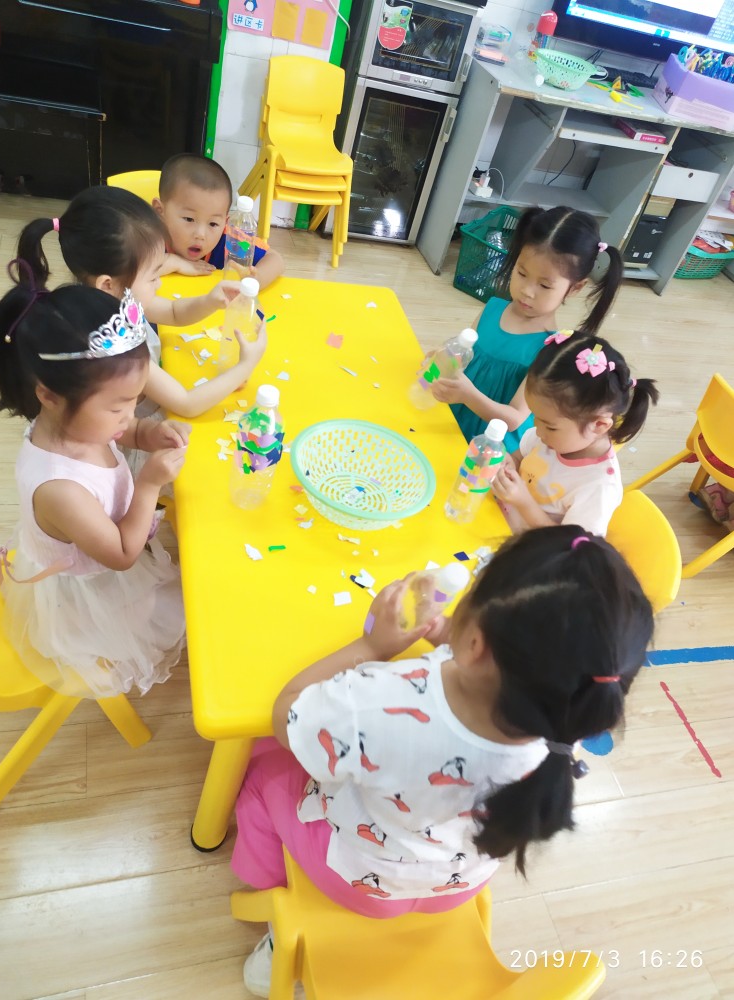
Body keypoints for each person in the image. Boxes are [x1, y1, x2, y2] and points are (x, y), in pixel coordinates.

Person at [230, 526, 654, 997]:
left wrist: (371, 648)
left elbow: (286, 715)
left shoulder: (376, 703)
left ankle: (274, 919)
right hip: (457, 887)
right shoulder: (562, 724)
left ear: (476, 646)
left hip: (358, 880)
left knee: (261, 765)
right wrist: (449, 640)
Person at [0, 273, 187, 698]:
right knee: (168, 608)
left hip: (102, 547)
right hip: (87, 594)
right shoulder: (61, 489)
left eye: (135, 401)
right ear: (49, 396)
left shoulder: (76, 422)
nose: (129, 415)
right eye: (118, 407)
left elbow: (125, 431)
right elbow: (122, 555)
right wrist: (148, 483)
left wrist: (149, 432)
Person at [15, 187, 268, 469]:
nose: (159, 284)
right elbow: (186, 403)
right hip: (136, 436)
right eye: (153, 276)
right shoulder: (113, 345)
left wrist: (210, 300)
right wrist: (246, 365)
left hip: (142, 424)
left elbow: (173, 311)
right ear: (108, 284)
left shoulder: (114, 303)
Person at [431, 206, 623, 452]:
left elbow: (514, 418)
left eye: (544, 285)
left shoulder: (551, 348)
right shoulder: (493, 308)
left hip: (489, 442)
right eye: (522, 273)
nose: (527, 290)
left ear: (575, 288)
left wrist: (467, 395)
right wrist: (445, 358)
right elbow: (465, 356)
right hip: (453, 416)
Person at [491, 331, 658, 536]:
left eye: (550, 426)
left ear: (599, 425)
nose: (537, 429)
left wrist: (524, 502)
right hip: (495, 519)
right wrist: (509, 463)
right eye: (535, 416)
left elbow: (569, 543)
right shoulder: (552, 437)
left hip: (527, 547)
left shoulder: (598, 487)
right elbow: (519, 457)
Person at [153, 152, 284, 286]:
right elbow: (139, 266)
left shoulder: (229, 242)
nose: (201, 234)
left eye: (213, 224)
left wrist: (256, 279)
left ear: (225, 222)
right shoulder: (149, 237)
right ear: (159, 211)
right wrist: (173, 262)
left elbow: (274, 258)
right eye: (189, 219)